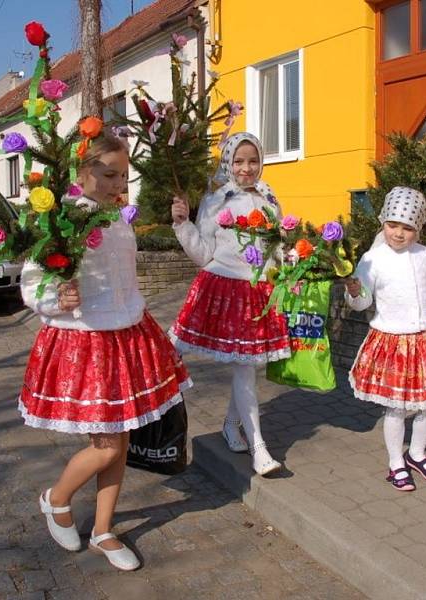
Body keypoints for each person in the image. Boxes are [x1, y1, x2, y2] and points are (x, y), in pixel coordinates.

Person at [19, 129, 192, 570]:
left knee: (122, 438)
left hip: (128, 337)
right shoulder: (64, 219)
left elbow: (121, 279)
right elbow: (33, 280)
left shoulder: (116, 217)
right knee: (107, 446)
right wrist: (57, 297)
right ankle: (56, 498)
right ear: (82, 171)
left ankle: (103, 530)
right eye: (109, 175)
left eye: (123, 176)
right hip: (87, 342)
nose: (118, 184)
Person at [169, 132, 289, 476]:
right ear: (227, 163)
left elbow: (275, 246)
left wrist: (287, 268)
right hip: (223, 291)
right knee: (244, 369)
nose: (246, 168)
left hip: (258, 293)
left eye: (253, 161)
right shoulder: (216, 200)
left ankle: (229, 426)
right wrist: (182, 225)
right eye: (238, 161)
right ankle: (259, 448)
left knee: (247, 367)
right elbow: (203, 254)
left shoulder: (269, 198)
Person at [345, 186, 426, 492]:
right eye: (392, 225)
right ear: (382, 222)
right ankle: (396, 462)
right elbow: (362, 301)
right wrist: (354, 293)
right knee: (397, 408)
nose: (399, 234)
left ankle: (417, 453)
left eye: (407, 228)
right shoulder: (373, 258)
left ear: (418, 229)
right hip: (392, 342)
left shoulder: (425, 255)